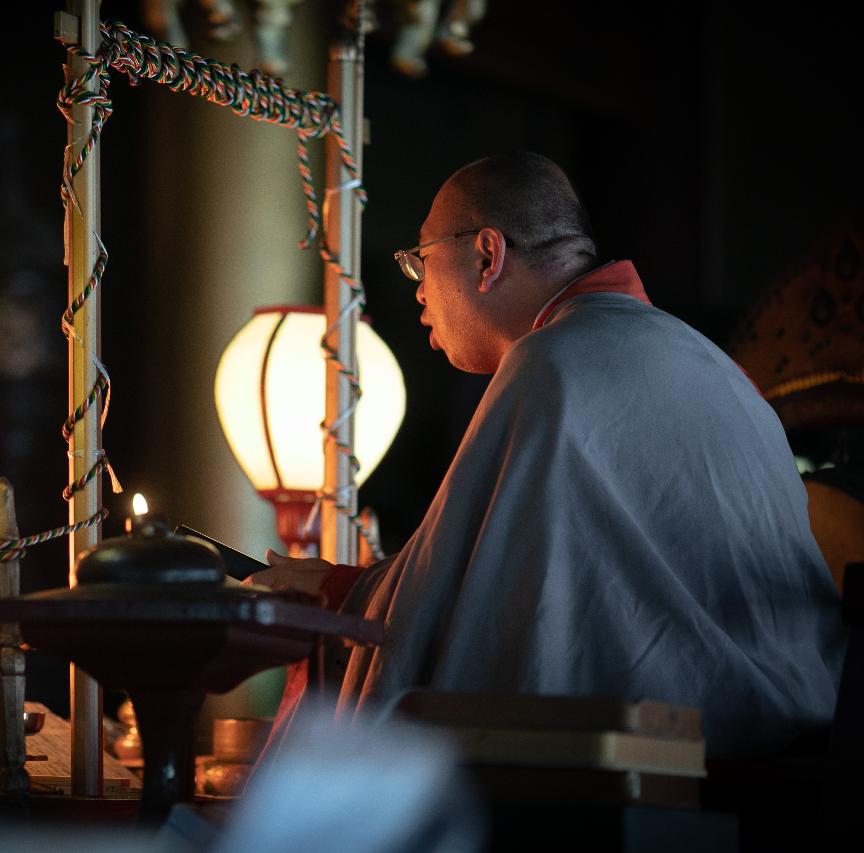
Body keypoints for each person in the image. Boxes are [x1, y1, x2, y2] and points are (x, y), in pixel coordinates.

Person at [247, 152, 845, 758]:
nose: (420, 289)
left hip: (678, 762)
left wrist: (340, 595)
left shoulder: (550, 364)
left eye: (420, 260)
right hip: (794, 746)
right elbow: (566, 581)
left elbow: (490, 622)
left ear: (487, 255)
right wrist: (349, 584)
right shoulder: (713, 364)